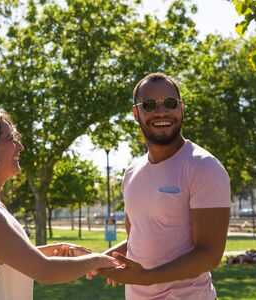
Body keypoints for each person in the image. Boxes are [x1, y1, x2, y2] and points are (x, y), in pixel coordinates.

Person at [0, 104, 119, 300]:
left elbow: (1, 258)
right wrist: (98, 260)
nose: (20, 147)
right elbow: (45, 271)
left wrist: (54, 249)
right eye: (10, 139)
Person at [96, 73, 231, 299]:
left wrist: (147, 277)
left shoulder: (203, 167)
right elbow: (138, 237)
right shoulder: (131, 172)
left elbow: (209, 254)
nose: (161, 112)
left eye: (169, 103)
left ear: (181, 108)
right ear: (136, 113)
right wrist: (101, 259)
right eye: (149, 105)